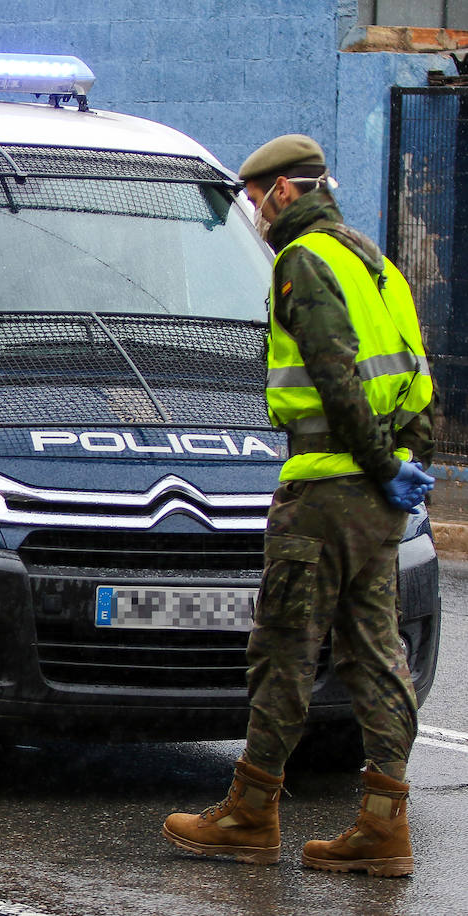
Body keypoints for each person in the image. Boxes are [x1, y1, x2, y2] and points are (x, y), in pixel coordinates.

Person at [162, 134, 435, 877]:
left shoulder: (302, 261)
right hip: (377, 501)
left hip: (322, 494)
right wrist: (406, 468)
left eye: (254, 199)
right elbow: (416, 379)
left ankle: (250, 812)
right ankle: (385, 825)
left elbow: (335, 376)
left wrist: (376, 464)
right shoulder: (377, 265)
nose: (252, 213)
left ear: (283, 191)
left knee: (283, 645)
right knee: (376, 655)